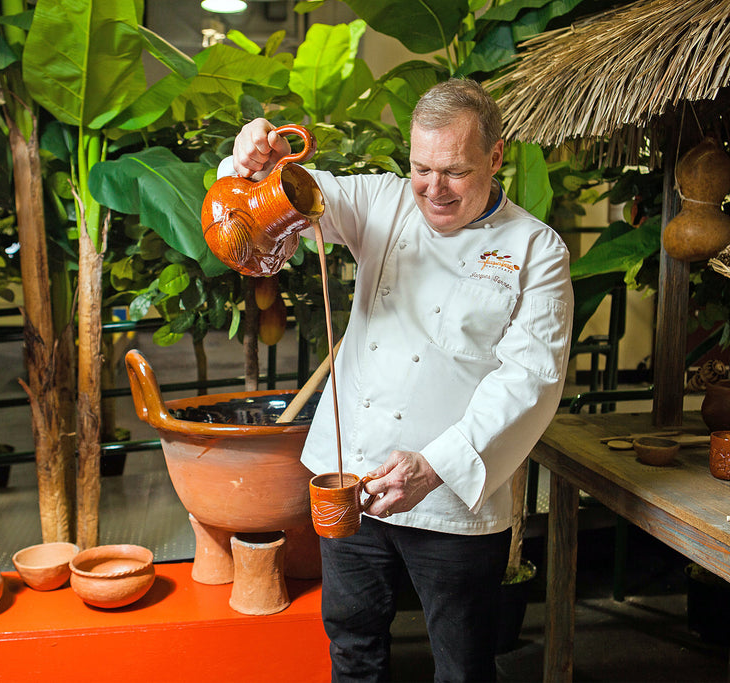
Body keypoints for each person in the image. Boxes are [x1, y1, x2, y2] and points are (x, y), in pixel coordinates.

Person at [225, 78, 573, 682]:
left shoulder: (536, 250)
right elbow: (280, 200)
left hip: (451, 499)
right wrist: (250, 160)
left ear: (494, 158)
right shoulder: (381, 201)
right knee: (353, 647)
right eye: (421, 168)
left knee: (463, 667)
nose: (433, 189)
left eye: (455, 171)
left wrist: (435, 465)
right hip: (352, 478)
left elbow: (530, 380)